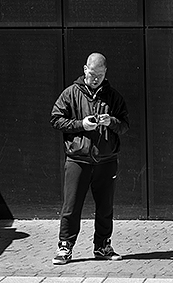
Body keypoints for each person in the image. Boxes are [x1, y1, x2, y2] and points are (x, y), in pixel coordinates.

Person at [50, 52, 129, 265]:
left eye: (100, 75)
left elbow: (124, 125)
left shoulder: (113, 96)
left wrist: (110, 121)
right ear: (85, 69)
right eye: (93, 74)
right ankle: (65, 246)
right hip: (78, 159)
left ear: (106, 73)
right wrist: (81, 124)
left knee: (105, 207)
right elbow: (56, 120)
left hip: (106, 160)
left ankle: (102, 246)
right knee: (71, 206)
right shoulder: (70, 94)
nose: (96, 79)